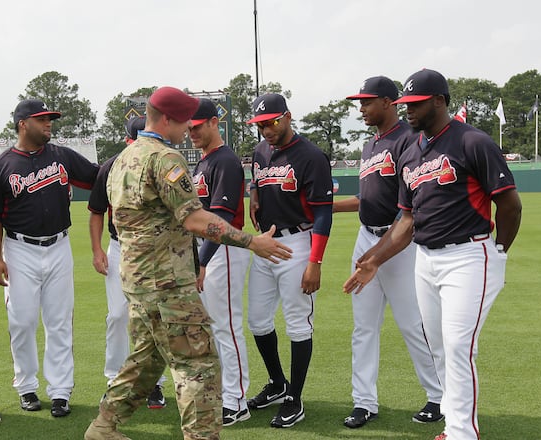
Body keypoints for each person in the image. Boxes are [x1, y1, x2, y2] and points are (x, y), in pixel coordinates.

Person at [84, 86, 292, 440]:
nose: (187, 130)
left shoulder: (123, 159)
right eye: (183, 122)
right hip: (166, 283)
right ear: (166, 119)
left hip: (136, 280)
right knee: (199, 366)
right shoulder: (165, 159)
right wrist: (252, 241)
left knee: (147, 363)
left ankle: (103, 427)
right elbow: (196, 220)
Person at [343, 69, 522, 440]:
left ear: (439, 100)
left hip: (468, 254)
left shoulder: (472, 141)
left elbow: (510, 204)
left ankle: (461, 432)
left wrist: (499, 249)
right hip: (425, 257)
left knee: (457, 346)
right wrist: (373, 259)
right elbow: (407, 219)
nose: (408, 109)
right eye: (406, 103)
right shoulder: (415, 151)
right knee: (439, 344)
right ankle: (452, 422)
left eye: (416, 103)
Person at [336, 76, 443, 428]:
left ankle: (438, 396)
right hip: (366, 236)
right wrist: (330, 207)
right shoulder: (369, 146)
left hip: (399, 243)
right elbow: (368, 199)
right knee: (363, 327)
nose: (361, 109)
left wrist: (381, 252)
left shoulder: (409, 141)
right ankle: (364, 402)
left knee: (414, 324)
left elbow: (408, 207)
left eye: (366, 102)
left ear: (387, 102)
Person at [0, 99, 98, 417]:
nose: (49, 124)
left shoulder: (61, 156)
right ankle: (27, 387)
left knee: (59, 321)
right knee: (22, 321)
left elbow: (96, 178)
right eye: (42, 119)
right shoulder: (1, 166)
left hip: (59, 245)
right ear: (23, 124)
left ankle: (60, 391)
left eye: (50, 119)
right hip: (18, 249)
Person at [245, 93, 334, 429]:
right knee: (257, 320)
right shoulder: (260, 151)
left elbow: (324, 213)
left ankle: (295, 399)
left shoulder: (310, 156)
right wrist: (254, 195)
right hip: (266, 244)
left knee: (298, 324)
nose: (266, 129)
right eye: (260, 125)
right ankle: (278, 383)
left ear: (287, 117)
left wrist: (316, 261)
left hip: (298, 242)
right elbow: (257, 180)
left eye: (271, 122)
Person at [88, 115, 168, 409]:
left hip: (155, 250)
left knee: (154, 317)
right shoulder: (110, 167)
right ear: (127, 140)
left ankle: (154, 384)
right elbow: (96, 210)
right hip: (120, 248)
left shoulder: (162, 163)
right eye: (136, 140)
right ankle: (115, 381)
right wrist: (97, 250)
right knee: (119, 316)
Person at [189, 98, 252, 426]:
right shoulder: (204, 161)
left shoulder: (225, 160)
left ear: (214, 122)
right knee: (213, 326)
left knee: (227, 326)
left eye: (197, 126)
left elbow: (224, 217)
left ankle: (237, 399)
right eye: (188, 128)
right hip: (210, 249)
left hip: (224, 248)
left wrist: (202, 260)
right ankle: (225, 393)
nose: (192, 133)